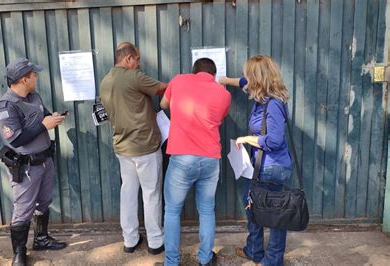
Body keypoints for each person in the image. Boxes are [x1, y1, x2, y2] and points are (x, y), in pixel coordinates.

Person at [0, 58, 67, 266]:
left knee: (44, 202)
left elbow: (43, 117)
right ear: (24, 79)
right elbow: (15, 138)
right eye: (34, 75)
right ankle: (19, 253)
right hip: (25, 167)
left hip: (44, 161)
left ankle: (41, 239)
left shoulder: (34, 97)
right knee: (23, 209)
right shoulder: (5, 107)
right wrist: (45, 125)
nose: (36, 77)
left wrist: (53, 117)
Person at [220, 55, 293, 266]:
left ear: (257, 78)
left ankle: (272, 260)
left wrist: (247, 139)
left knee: (275, 215)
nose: (245, 79)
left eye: (247, 75)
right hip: (260, 166)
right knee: (252, 205)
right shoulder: (262, 98)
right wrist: (224, 80)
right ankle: (254, 249)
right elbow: (242, 83)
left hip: (272, 167)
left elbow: (275, 140)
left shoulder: (273, 105)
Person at [160, 58, 231, 266]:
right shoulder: (224, 94)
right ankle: (205, 258)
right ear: (214, 75)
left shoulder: (179, 80)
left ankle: (172, 262)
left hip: (182, 157)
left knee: (172, 211)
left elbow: (163, 104)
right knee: (207, 210)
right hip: (210, 158)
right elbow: (220, 118)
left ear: (194, 71)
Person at [99, 42, 168, 255]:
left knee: (127, 192)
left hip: (122, 148)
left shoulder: (105, 81)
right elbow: (163, 88)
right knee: (151, 193)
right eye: (137, 60)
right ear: (128, 59)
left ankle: (130, 239)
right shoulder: (134, 76)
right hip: (146, 146)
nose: (139, 64)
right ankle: (155, 242)